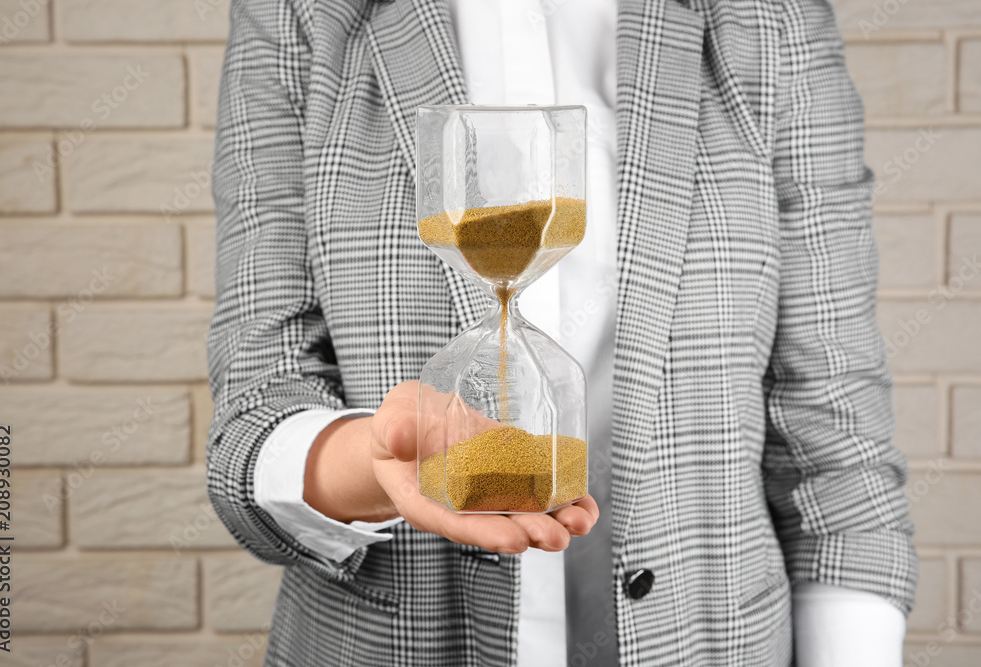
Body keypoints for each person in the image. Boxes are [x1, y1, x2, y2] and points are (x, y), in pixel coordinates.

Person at [206, 0, 918, 665]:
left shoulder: (767, 21)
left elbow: (837, 437)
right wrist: (373, 460)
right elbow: (253, 411)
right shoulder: (301, 16)